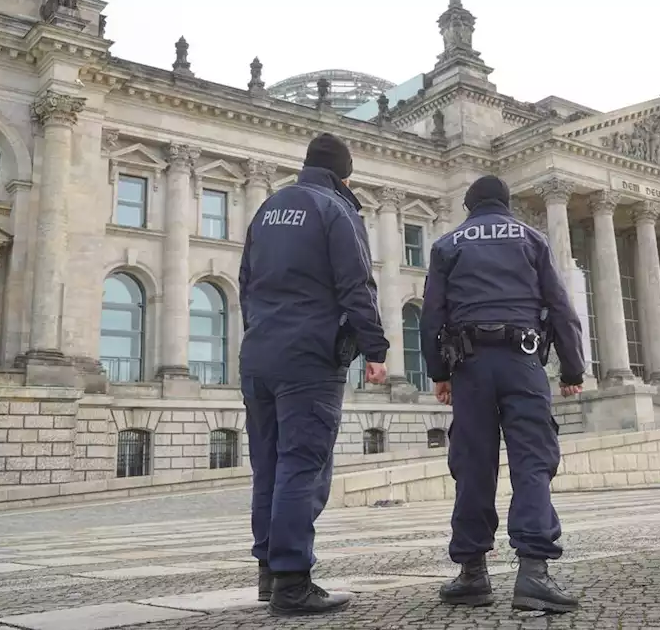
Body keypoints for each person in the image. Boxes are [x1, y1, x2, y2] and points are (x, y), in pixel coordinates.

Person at [238, 132, 390, 617]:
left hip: (259, 353)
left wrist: (260, 331)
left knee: (269, 465)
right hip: (309, 355)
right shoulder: (337, 209)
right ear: (345, 174)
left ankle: (269, 572)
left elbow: (245, 281)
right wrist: (375, 347)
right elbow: (356, 284)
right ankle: (293, 582)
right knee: (304, 465)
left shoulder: (269, 207)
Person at [420, 174, 585, 613]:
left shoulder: (448, 244)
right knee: (532, 460)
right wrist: (572, 368)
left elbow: (431, 314)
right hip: (523, 360)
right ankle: (533, 574)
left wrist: (439, 372)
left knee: (472, 464)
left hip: (469, 367)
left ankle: (472, 574)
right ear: (506, 204)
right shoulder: (532, 239)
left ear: (469, 207)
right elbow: (561, 308)